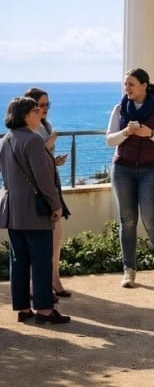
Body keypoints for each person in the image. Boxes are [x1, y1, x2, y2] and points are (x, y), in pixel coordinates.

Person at [0, 97, 70, 324]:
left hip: (12, 209)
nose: (40, 113)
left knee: (19, 259)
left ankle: (22, 308)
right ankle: (44, 310)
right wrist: (56, 204)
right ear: (24, 115)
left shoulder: (6, 140)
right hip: (34, 209)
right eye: (35, 110)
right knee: (41, 259)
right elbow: (44, 179)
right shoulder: (33, 141)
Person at [106, 68, 154, 289]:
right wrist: (126, 132)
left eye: (131, 84)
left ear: (144, 86)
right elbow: (109, 140)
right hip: (123, 170)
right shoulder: (119, 109)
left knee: (150, 220)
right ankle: (129, 271)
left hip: (152, 171)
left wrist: (150, 134)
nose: (127, 88)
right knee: (127, 222)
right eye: (125, 84)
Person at [24, 87, 71, 298]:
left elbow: (45, 162)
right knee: (42, 241)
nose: (45, 109)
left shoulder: (46, 125)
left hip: (53, 185)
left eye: (47, 105)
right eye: (41, 105)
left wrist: (55, 161)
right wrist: (47, 145)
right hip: (39, 190)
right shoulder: (28, 130)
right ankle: (41, 287)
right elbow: (31, 160)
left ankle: (54, 280)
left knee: (56, 237)